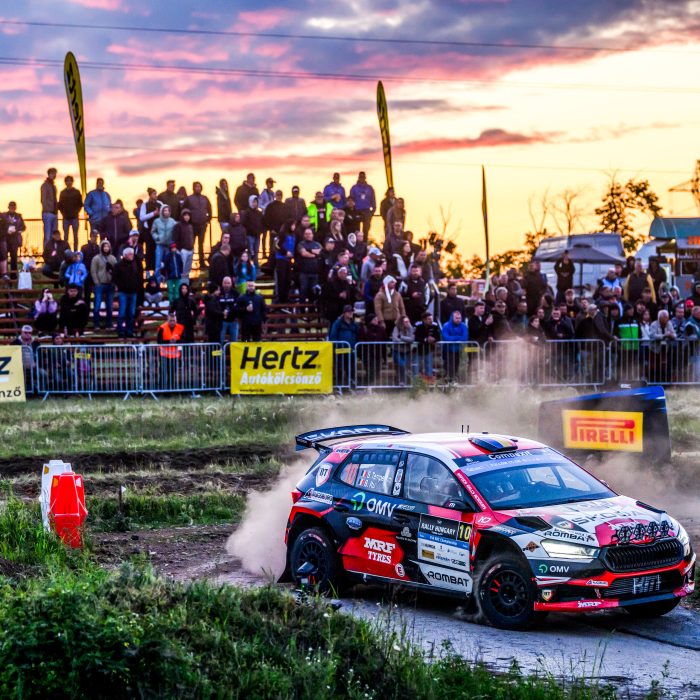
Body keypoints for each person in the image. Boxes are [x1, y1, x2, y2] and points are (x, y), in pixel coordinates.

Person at [113, 247, 141, 338]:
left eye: (132, 254)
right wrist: (121, 286)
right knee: (122, 312)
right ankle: (120, 331)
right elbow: (115, 278)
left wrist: (136, 286)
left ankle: (129, 331)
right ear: (125, 255)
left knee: (131, 313)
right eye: (130, 254)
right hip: (123, 292)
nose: (132, 256)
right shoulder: (118, 265)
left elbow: (138, 277)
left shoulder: (135, 265)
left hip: (133, 292)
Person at [184, 181, 212, 268]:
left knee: (201, 244)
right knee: (190, 245)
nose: (198, 188)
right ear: (193, 188)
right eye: (196, 187)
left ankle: (202, 263)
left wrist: (208, 219)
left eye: (199, 187)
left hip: (202, 225)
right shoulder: (189, 198)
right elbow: (185, 210)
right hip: (192, 225)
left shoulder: (205, 198)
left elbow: (210, 209)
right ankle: (189, 263)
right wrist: (188, 222)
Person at [90, 240, 116, 329]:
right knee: (97, 305)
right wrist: (96, 282)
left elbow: (116, 271)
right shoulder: (96, 258)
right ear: (101, 247)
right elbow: (93, 271)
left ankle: (109, 324)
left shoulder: (113, 258)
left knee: (109, 306)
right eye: (104, 246)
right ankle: (96, 324)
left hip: (110, 284)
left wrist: (114, 281)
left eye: (107, 246)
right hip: (100, 284)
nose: (106, 248)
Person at [156, 311, 185, 389]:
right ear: (167, 320)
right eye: (170, 321)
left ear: (176, 320)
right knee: (163, 373)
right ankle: (161, 389)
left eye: (174, 321)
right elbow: (159, 341)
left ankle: (170, 389)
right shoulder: (162, 328)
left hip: (175, 356)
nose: (172, 322)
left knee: (172, 374)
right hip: (164, 355)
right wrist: (169, 342)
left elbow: (184, 340)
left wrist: (176, 342)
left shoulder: (180, 327)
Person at [373, 275, 405, 339]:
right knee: (386, 338)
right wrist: (381, 321)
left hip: (397, 321)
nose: (394, 284)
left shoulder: (397, 294)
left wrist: (403, 318)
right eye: (392, 282)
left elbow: (402, 308)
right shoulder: (380, 295)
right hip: (386, 320)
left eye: (394, 282)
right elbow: (378, 309)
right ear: (387, 283)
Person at [441, 310, 468, 382]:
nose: (458, 320)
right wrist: (458, 337)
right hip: (447, 350)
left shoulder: (463, 326)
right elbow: (446, 338)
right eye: (456, 318)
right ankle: (448, 382)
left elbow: (464, 338)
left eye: (459, 318)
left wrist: (453, 338)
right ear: (452, 317)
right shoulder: (446, 326)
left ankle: (453, 381)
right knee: (448, 367)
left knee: (456, 366)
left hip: (458, 350)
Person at [296, 228, 322, 302]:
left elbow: (320, 252)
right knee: (303, 291)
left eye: (309, 233)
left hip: (315, 273)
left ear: (312, 235)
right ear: (304, 235)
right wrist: (314, 254)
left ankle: (312, 307)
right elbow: (303, 253)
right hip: (304, 273)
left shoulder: (317, 244)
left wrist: (309, 250)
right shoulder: (301, 244)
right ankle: (302, 308)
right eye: (306, 234)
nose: (308, 235)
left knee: (314, 292)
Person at [58, 175, 83, 250]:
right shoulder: (62, 193)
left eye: (70, 181)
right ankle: (66, 252)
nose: (69, 182)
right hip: (66, 218)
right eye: (67, 181)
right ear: (65, 182)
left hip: (75, 217)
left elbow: (80, 204)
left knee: (75, 236)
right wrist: (63, 213)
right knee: (66, 237)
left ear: (72, 182)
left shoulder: (77, 192)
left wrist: (76, 212)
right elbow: (60, 205)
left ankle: (75, 252)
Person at [151, 205, 176, 281]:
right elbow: (153, 232)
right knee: (158, 265)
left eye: (168, 210)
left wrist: (173, 241)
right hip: (160, 245)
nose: (166, 212)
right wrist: (157, 237)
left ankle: (168, 283)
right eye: (165, 210)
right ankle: (157, 283)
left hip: (169, 246)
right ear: (162, 211)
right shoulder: (156, 221)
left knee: (168, 264)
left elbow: (176, 230)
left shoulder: (172, 221)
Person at [414, 310, 441, 380]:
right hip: (418, 349)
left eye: (431, 319)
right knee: (416, 366)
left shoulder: (435, 325)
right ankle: (415, 382)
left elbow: (439, 337)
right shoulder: (418, 325)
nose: (431, 320)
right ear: (424, 320)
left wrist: (434, 339)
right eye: (429, 319)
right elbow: (415, 337)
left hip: (429, 349)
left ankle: (429, 382)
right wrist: (425, 339)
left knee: (429, 366)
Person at [273, 221, 296, 303]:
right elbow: (277, 245)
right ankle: (281, 298)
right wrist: (285, 252)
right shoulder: (282, 234)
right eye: (293, 225)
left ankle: (286, 297)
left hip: (288, 260)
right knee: (281, 279)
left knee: (288, 279)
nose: (294, 227)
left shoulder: (292, 235)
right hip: (281, 259)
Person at [2, 202, 25, 279]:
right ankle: (4, 274)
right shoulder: (3, 215)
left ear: (15, 208)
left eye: (14, 207)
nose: (12, 208)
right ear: (8, 207)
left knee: (14, 258)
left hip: (15, 240)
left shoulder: (19, 216)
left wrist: (16, 230)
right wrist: (7, 230)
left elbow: (23, 227)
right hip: (5, 239)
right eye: (11, 207)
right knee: (3, 257)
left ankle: (13, 275)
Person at [172, 208, 195, 282]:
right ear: (182, 216)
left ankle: (185, 286)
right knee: (181, 270)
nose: (187, 217)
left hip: (191, 250)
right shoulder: (178, 225)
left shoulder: (190, 226)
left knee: (187, 271)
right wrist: (178, 249)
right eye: (185, 215)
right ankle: (180, 286)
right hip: (183, 250)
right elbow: (174, 238)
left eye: (188, 215)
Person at [241, 195, 264, 267]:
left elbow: (262, 223)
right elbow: (244, 224)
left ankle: (256, 266)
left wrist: (261, 231)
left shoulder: (259, 213)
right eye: (253, 202)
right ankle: (248, 266)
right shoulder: (246, 212)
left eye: (256, 202)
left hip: (257, 235)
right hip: (250, 235)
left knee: (256, 251)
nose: (255, 203)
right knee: (250, 252)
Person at [40, 167, 58, 245]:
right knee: (47, 236)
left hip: (54, 213)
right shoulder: (45, 185)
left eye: (55, 173)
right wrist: (48, 209)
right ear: (49, 174)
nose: (54, 175)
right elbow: (43, 199)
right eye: (53, 173)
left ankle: (53, 251)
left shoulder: (54, 186)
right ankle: (47, 251)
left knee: (54, 235)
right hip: (47, 213)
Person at [220, 276, 239, 343]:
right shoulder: (219, 292)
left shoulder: (236, 293)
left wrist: (231, 312)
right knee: (220, 340)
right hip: (221, 320)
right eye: (225, 283)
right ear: (222, 283)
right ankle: (221, 350)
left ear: (231, 284)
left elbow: (238, 306)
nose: (227, 285)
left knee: (234, 341)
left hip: (233, 320)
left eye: (228, 283)